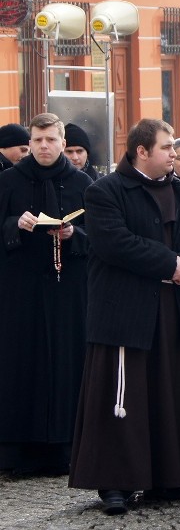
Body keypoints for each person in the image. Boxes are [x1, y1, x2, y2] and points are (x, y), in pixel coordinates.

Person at [69, 118, 180, 515]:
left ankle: (169, 475)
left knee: (169, 391)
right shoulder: (104, 192)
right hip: (123, 313)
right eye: (166, 148)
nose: (174, 154)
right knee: (122, 399)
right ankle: (116, 481)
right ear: (141, 151)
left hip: (171, 311)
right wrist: (172, 263)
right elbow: (115, 243)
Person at [0, 113, 91, 476]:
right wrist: (13, 225)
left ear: (61, 141)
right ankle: (17, 451)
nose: (43, 147)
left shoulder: (82, 183)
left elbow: (100, 235)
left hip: (67, 291)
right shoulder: (8, 181)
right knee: (20, 363)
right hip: (19, 291)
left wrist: (74, 236)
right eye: (36, 140)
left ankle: (64, 448)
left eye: (50, 140)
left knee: (66, 362)